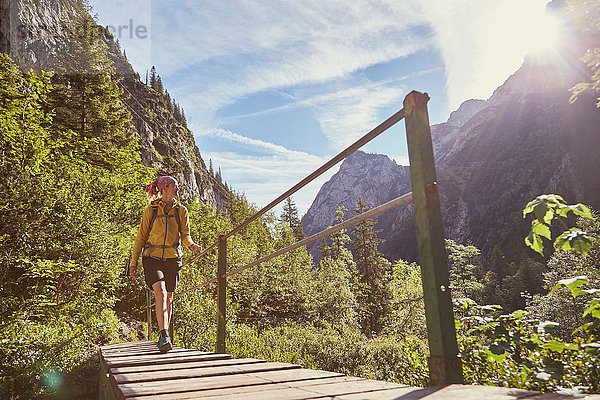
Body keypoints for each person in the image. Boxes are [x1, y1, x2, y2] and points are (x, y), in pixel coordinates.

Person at [129, 176, 201, 353]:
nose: (178, 188)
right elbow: (140, 237)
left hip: (173, 258)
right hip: (151, 257)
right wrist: (133, 263)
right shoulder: (151, 210)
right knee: (160, 292)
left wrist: (191, 245)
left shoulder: (181, 211)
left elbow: (185, 235)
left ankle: (164, 334)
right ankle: (163, 335)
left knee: (168, 298)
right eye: (174, 185)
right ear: (165, 188)